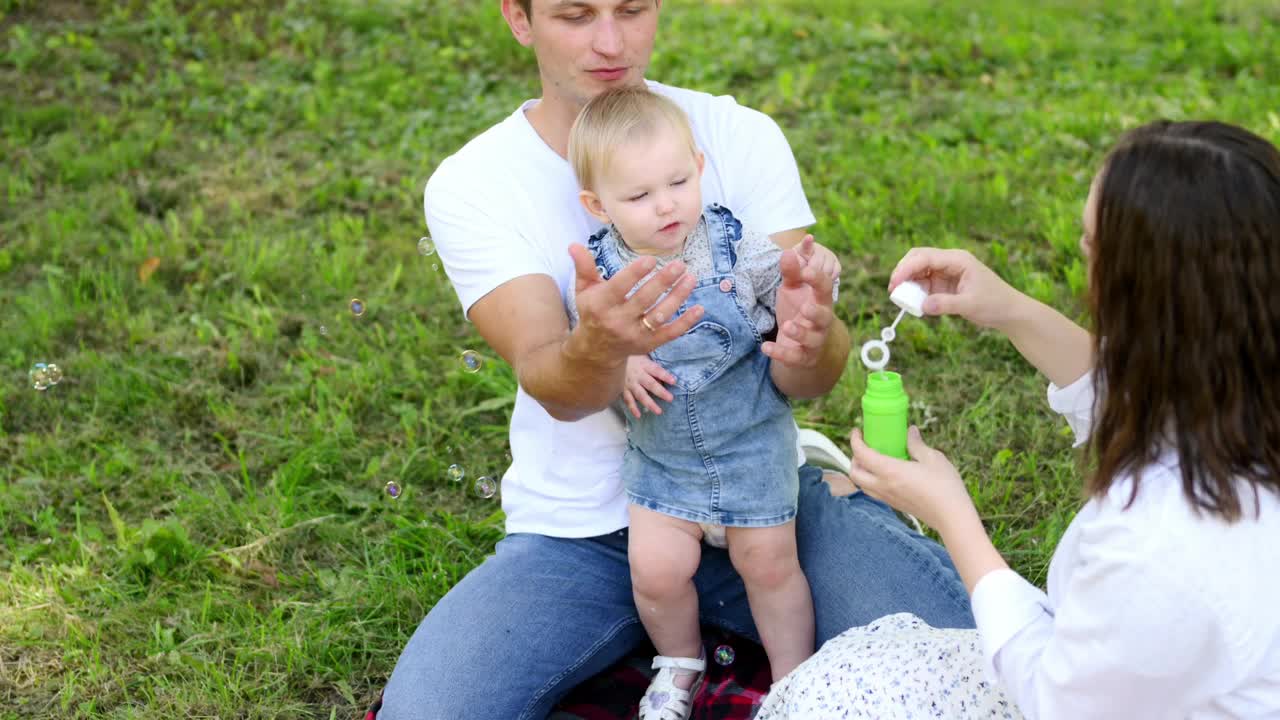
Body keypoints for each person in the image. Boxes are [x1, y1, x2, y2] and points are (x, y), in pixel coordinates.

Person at [379, 2, 974, 718]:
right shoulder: (476, 182)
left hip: (765, 499)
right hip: (586, 533)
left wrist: (813, 335)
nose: (610, 41)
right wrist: (599, 345)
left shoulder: (735, 135)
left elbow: (810, 374)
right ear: (518, 16)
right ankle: (678, 651)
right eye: (575, 15)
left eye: (631, 9)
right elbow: (554, 385)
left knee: (974, 656)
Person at [757, 119, 1280, 719]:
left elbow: (1057, 702)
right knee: (831, 631)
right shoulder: (1241, 396)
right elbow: (1133, 401)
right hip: (1111, 665)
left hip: (1058, 689)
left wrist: (953, 515)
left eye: (1091, 249)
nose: (1084, 261)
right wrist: (1006, 307)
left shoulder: (1161, 547)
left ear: (1151, 292)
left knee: (817, 702)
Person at [563, 86, 840, 718]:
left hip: (750, 446)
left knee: (770, 567)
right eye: (638, 196)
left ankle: (793, 679)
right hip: (664, 464)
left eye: (678, 181)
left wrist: (810, 279)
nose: (666, 205)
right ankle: (678, 665)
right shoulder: (602, 273)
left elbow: (790, 280)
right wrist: (620, 356)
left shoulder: (733, 248)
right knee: (656, 573)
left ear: (700, 167)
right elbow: (587, 339)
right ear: (596, 204)